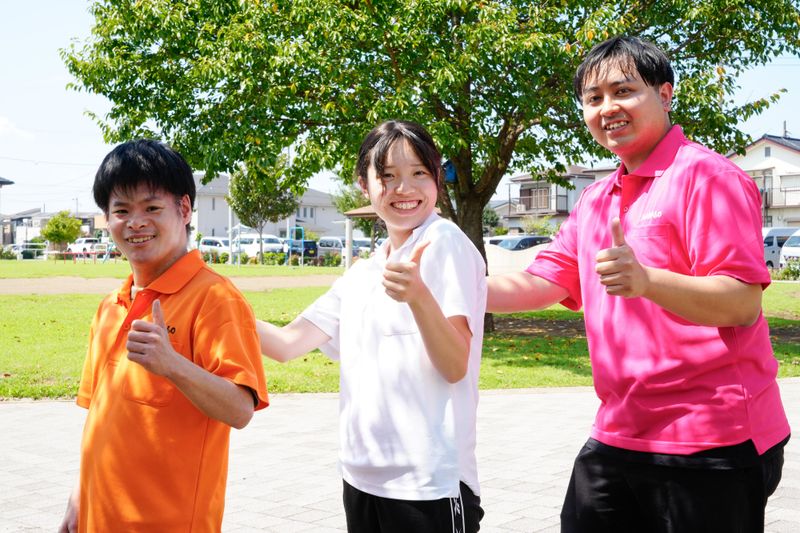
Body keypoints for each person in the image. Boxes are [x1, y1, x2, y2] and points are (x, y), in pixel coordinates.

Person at [488, 36, 790, 532]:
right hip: (619, 429)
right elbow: (542, 280)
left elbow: (741, 303)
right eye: (593, 98)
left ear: (665, 94)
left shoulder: (708, 178)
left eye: (623, 91)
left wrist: (647, 281)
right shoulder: (596, 199)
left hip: (711, 435)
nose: (607, 108)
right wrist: (449, 289)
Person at [257, 120, 486, 533]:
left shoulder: (443, 241)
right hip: (361, 478)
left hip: (428, 486)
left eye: (419, 173)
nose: (405, 188)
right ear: (364, 185)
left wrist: (419, 297)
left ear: (437, 178)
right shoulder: (364, 273)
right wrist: (213, 301)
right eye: (388, 176)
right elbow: (287, 344)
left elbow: (456, 365)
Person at [59, 140, 269, 532]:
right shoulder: (110, 306)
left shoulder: (215, 299)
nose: (135, 222)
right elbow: (99, 418)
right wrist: (78, 494)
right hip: (98, 517)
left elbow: (240, 410)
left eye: (151, 208)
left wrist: (172, 365)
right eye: (121, 211)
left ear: (184, 209)